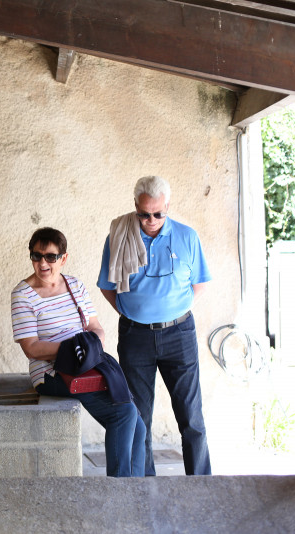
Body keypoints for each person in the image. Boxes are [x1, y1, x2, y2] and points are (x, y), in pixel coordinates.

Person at [97, 175, 211, 476]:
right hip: (136, 337)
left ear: (168, 207)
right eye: (144, 213)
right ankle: (145, 488)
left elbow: (199, 283)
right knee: (139, 418)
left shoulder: (187, 237)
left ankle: (202, 486)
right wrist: (128, 311)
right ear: (136, 206)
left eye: (158, 214)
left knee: (191, 417)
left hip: (179, 334)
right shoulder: (119, 237)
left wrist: (178, 311)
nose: (150, 220)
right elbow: (107, 286)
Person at [11, 227, 145, 477]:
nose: (43, 263)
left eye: (50, 257)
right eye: (36, 256)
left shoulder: (74, 285)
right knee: (124, 413)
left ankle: (136, 491)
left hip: (88, 363)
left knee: (138, 425)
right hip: (51, 373)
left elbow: (95, 327)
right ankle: (120, 492)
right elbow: (31, 348)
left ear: (63, 258)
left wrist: (94, 345)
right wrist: (73, 350)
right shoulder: (23, 295)